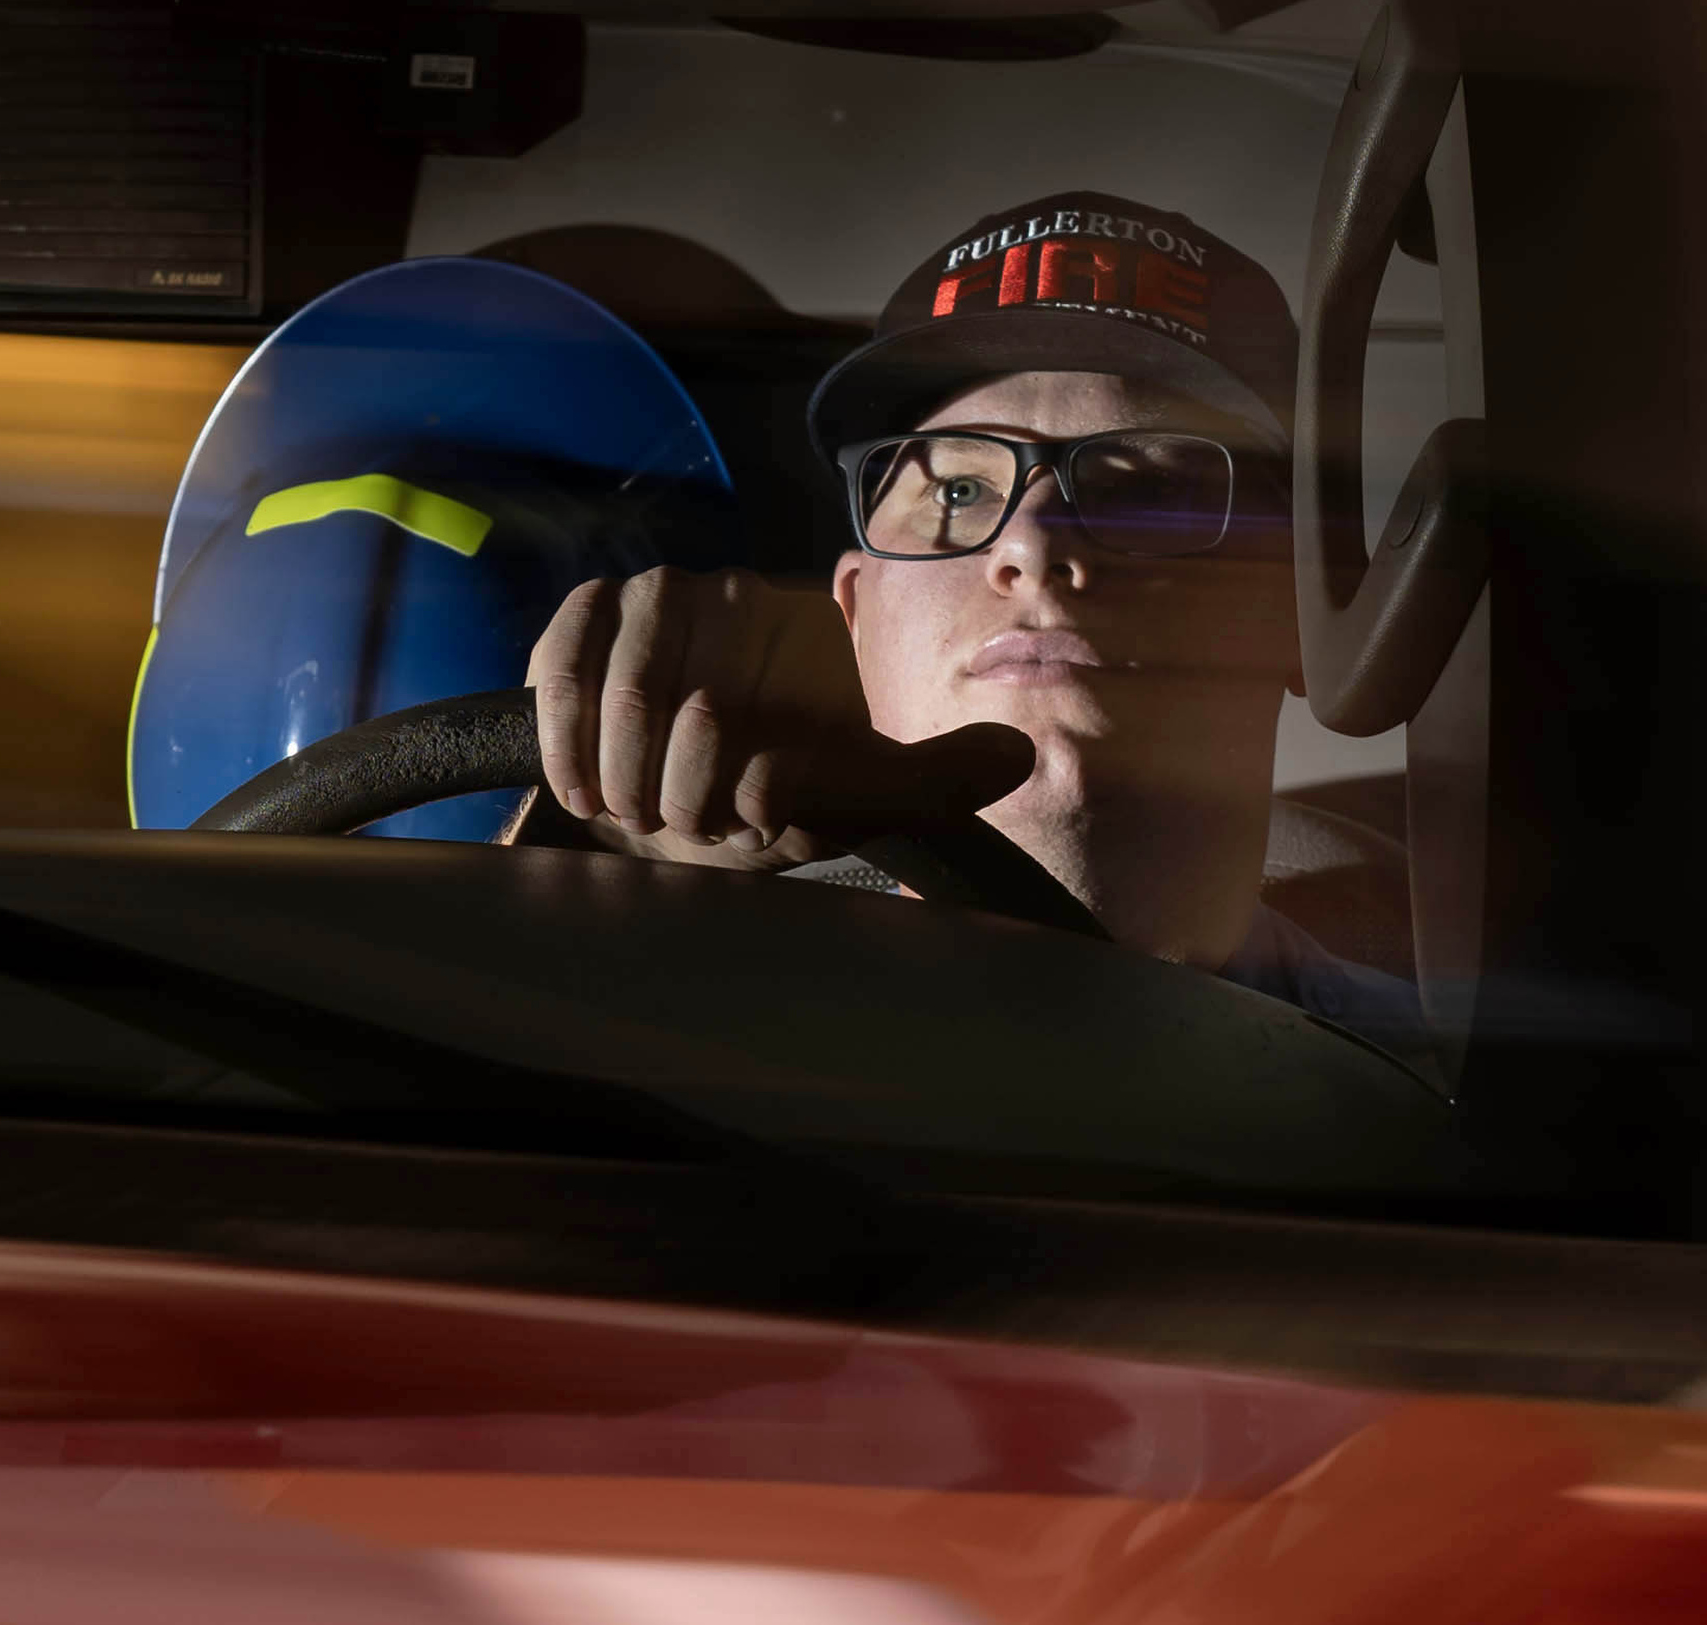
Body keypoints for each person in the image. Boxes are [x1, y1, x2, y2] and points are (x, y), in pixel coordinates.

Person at [526, 190, 1422, 1047]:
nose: (1031, 544)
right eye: (958, 489)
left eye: (1151, 492)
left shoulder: (1454, 1113)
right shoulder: (652, 1030)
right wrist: (590, 853)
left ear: (1304, 614)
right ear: (855, 613)